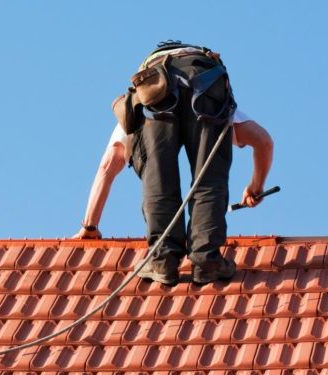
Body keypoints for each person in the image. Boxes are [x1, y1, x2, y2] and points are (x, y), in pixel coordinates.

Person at [73, 41, 274, 286]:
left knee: (158, 174)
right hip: (206, 83)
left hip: (155, 90)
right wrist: (256, 186)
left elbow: (108, 166)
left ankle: (162, 261)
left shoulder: (139, 110)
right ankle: (207, 262)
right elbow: (264, 141)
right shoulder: (223, 110)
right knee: (208, 177)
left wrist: (90, 227)